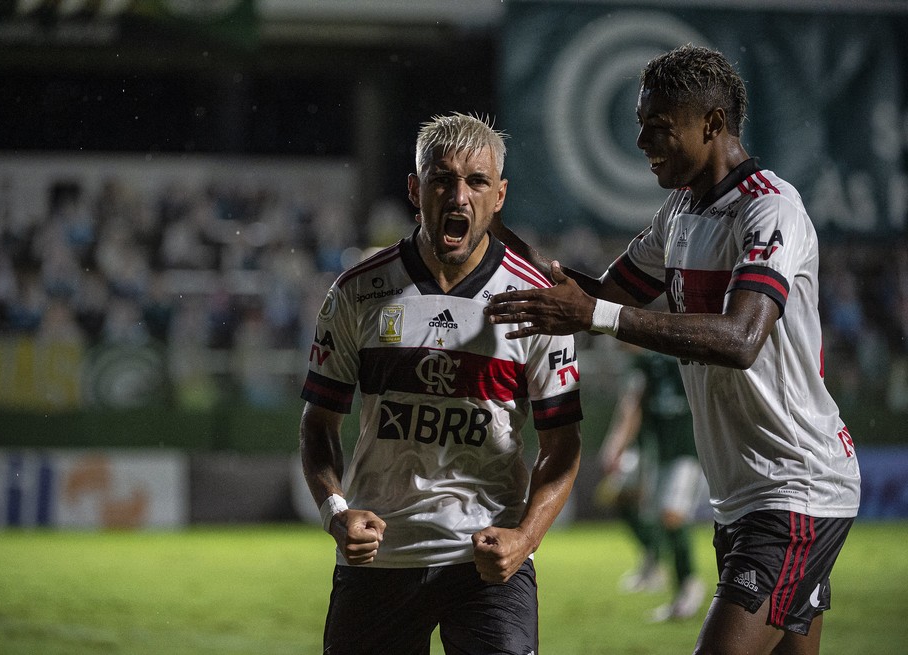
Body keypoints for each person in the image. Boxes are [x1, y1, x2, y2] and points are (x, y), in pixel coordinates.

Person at [485, 45, 860, 655]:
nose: (640, 141)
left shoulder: (771, 210)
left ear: (711, 123)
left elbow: (740, 339)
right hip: (745, 489)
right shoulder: (681, 213)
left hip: (796, 484)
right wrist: (488, 228)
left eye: (657, 127)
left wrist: (597, 314)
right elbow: (596, 296)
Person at [299, 112, 583, 655]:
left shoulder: (539, 301)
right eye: (442, 179)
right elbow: (319, 423)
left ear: (499, 196)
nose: (459, 197)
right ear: (415, 189)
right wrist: (336, 512)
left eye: (476, 182)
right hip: (381, 556)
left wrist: (525, 539)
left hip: (487, 563)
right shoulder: (357, 292)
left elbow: (563, 444)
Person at [598, 345, 707, 622]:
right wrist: (619, 444)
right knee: (656, 515)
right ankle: (661, 570)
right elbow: (632, 405)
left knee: (671, 516)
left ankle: (689, 583)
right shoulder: (646, 365)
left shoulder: (689, 358)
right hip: (657, 453)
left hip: (686, 451)